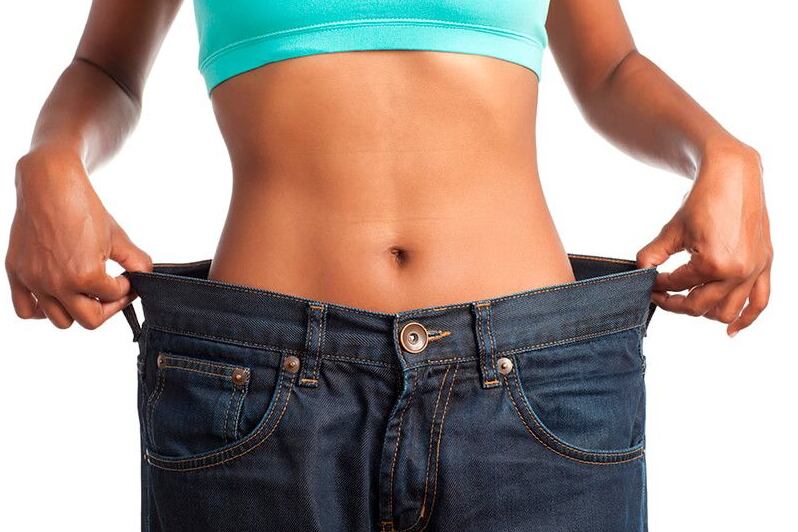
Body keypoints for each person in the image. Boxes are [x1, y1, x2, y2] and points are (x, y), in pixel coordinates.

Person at [6, 0, 773, 531]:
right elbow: (106, 66)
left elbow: (610, 66)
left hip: (535, 387)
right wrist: (50, 158)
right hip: (259, 391)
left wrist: (719, 150)